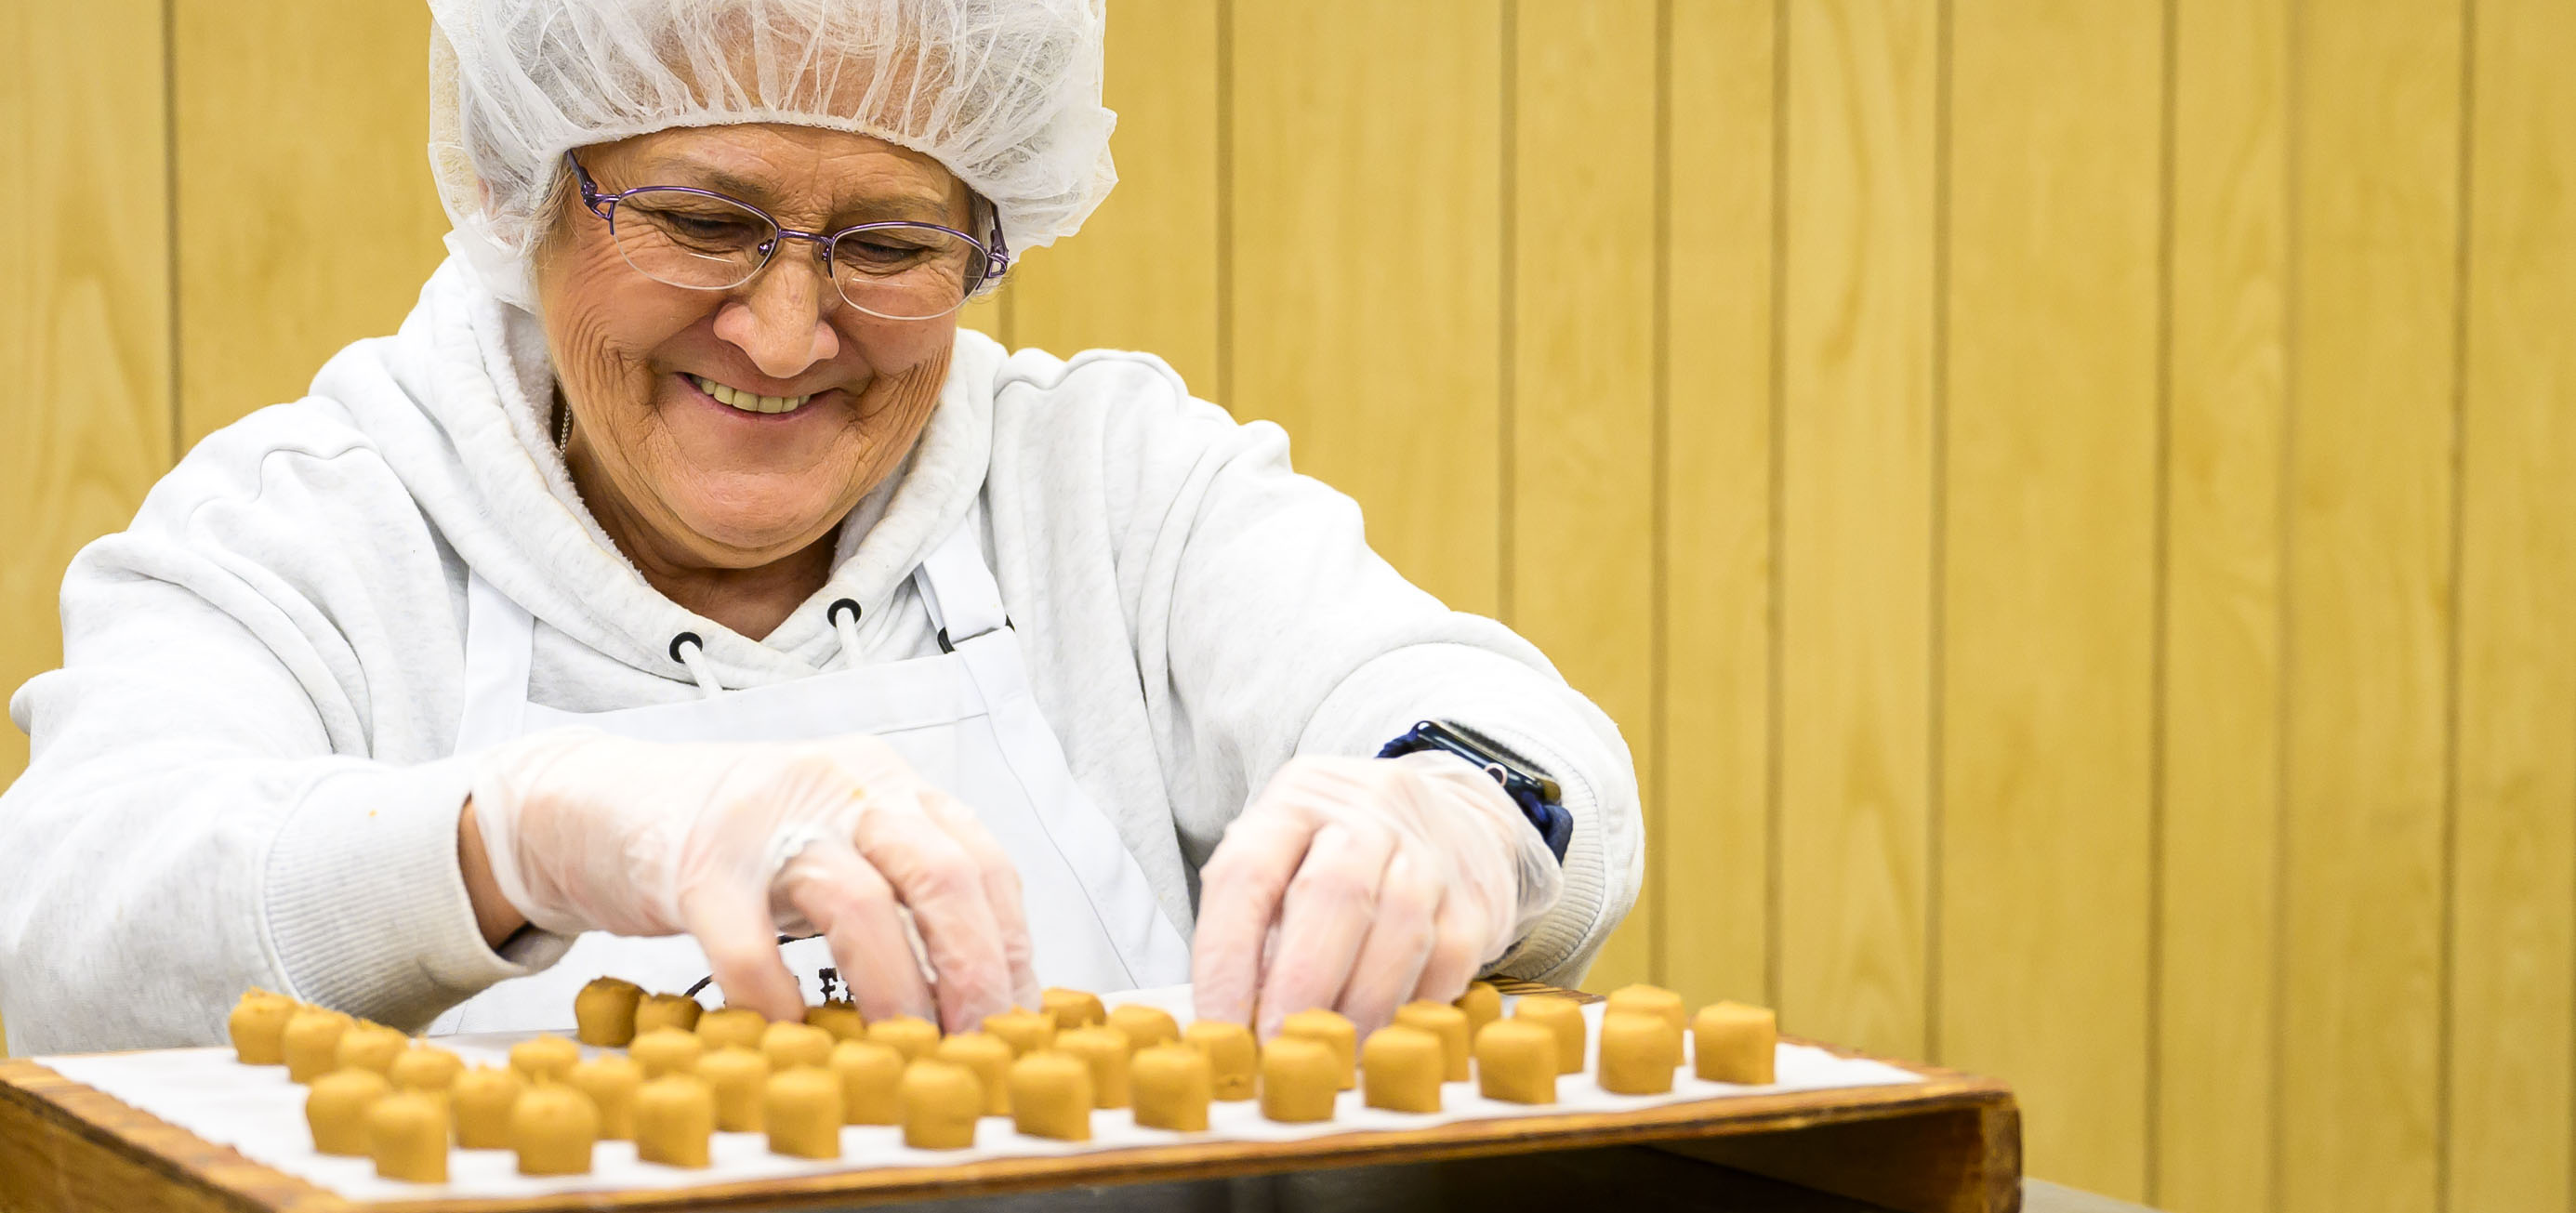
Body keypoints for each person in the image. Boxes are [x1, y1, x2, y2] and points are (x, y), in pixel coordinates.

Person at [0, 0, 1638, 1055]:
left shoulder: (1104, 487)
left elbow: (1513, 743)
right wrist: (519, 833)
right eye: (704, 222)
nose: (786, 335)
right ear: (523, 192)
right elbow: (57, 930)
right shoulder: (316, 527)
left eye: (889, 243)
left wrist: (1452, 816)